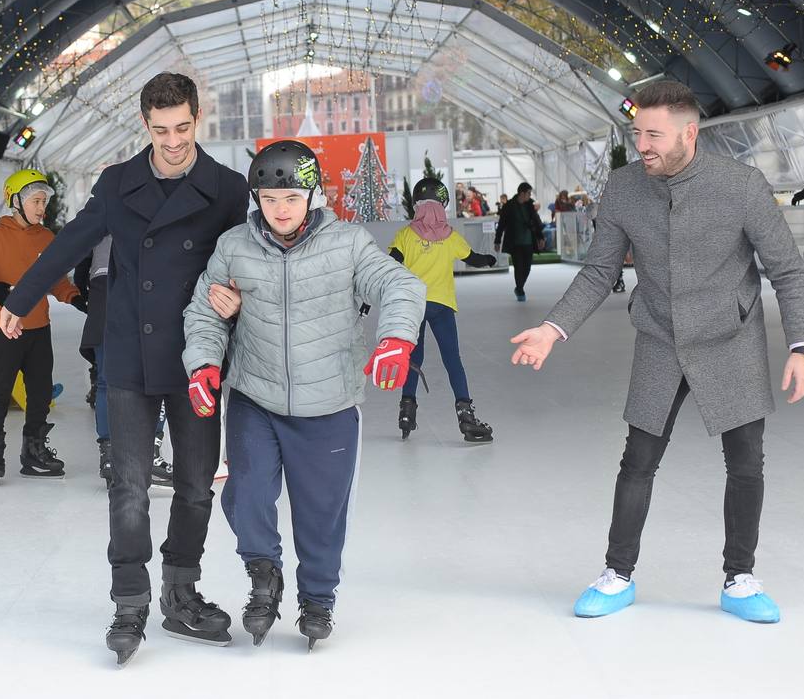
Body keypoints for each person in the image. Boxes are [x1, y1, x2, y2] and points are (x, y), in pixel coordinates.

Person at [509, 82, 804, 625]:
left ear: (688, 133)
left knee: (745, 464)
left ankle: (739, 577)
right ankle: (617, 574)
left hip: (730, 340)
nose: (642, 144)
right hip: (659, 338)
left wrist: (800, 345)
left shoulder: (740, 185)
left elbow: (788, 270)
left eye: (654, 134)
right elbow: (602, 271)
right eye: (637, 133)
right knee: (638, 461)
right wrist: (552, 330)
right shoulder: (625, 188)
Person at [0, 71, 248, 665]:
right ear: (145, 124)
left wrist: (240, 300)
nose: (173, 140)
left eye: (183, 127)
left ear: (197, 117)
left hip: (197, 357)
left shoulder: (229, 188)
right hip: (131, 355)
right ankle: (129, 600)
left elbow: (254, 257)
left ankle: (180, 593)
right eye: (161, 129)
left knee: (193, 487)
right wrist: (21, 297)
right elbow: (65, 245)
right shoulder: (117, 184)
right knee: (129, 487)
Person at [183, 140, 426, 649]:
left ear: (312, 194)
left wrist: (396, 339)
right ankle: (263, 574)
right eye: (270, 199)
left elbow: (401, 286)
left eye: (292, 197)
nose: (281, 209)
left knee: (321, 513)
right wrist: (203, 365)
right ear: (257, 199)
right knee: (245, 493)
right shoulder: (235, 246)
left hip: (328, 405)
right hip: (256, 397)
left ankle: (317, 600)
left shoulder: (349, 243)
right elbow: (204, 310)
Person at [0, 170, 84, 484]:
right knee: (0, 391)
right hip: (2, 327)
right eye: (36, 201)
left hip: (38, 325)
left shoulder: (45, 237)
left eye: (44, 201)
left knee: (41, 392)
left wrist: (74, 297)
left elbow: (55, 278)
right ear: (15, 201)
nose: (42, 207)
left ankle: (34, 450)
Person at [388, 178, 498, 443]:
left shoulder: (406, 235)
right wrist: (489, 259)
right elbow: (472, 258)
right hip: (442, 305)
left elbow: (391, 263)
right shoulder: (449, 235)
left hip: (414, 306)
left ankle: (407, 411)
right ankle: (466, 417)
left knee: (415, 358)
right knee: (452, 360)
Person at [80, 235, 173, 490]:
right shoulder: (152, 214)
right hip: (142, 296)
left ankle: (109, 455)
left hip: (103, 299)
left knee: (104, 381)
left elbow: (80, 271)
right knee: (156, 376)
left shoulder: (102, 217)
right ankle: (150, 451)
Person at [493, 181, 543, 301]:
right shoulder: (509, 206)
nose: (530, 196)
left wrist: (540, 237)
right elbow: (502, 224)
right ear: (522, 193)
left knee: (527, 268)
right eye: (528, 193)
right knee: (518, 267)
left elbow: (536, 222)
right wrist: (497, 240)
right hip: (515, 243)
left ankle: (519, 287)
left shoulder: (529, 206)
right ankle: (520, 289)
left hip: (528, 242)